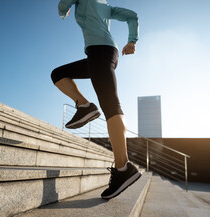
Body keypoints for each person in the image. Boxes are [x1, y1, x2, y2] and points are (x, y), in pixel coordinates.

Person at [51, 0, 142, 199]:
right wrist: (132, 40)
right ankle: (84, 106)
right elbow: (132, 16)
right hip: (106, 53)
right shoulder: (106, 6)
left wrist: (64, 12)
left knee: (111, 105)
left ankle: (122, 167)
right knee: (58, 74)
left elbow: (62, 6)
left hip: (99, 52)